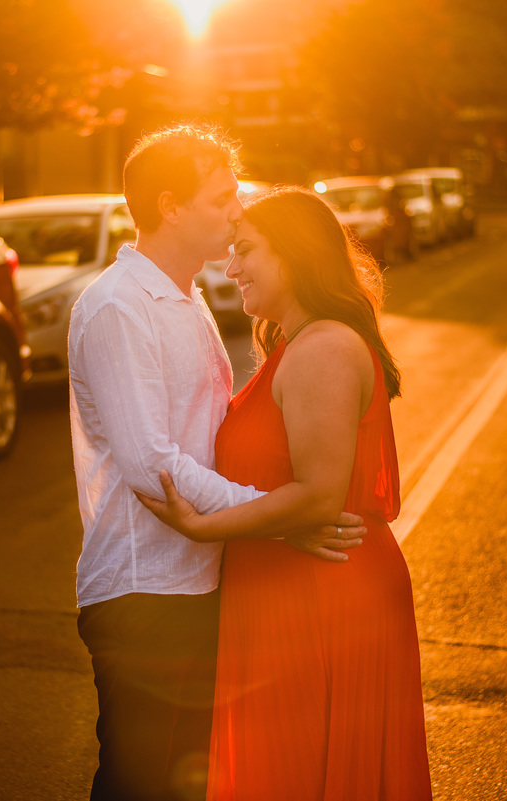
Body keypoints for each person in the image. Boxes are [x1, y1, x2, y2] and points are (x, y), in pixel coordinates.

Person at [68, 124, 366, 801]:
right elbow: (154, 466)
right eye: (222, 197)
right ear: (171, 206)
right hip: (146, 595)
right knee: (140, 784)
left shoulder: (190, 299)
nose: (237, 210)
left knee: (187, 782)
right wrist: (273, 518)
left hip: (199, 587)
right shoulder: (120, 306)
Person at [137, 186, 433, 800]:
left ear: (294, 255)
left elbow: (320, 498)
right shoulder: (294, 345)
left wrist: (199, 526)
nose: (231, 264)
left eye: (245, 249)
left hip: (325, 598)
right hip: (289, 588)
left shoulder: (323, 347)